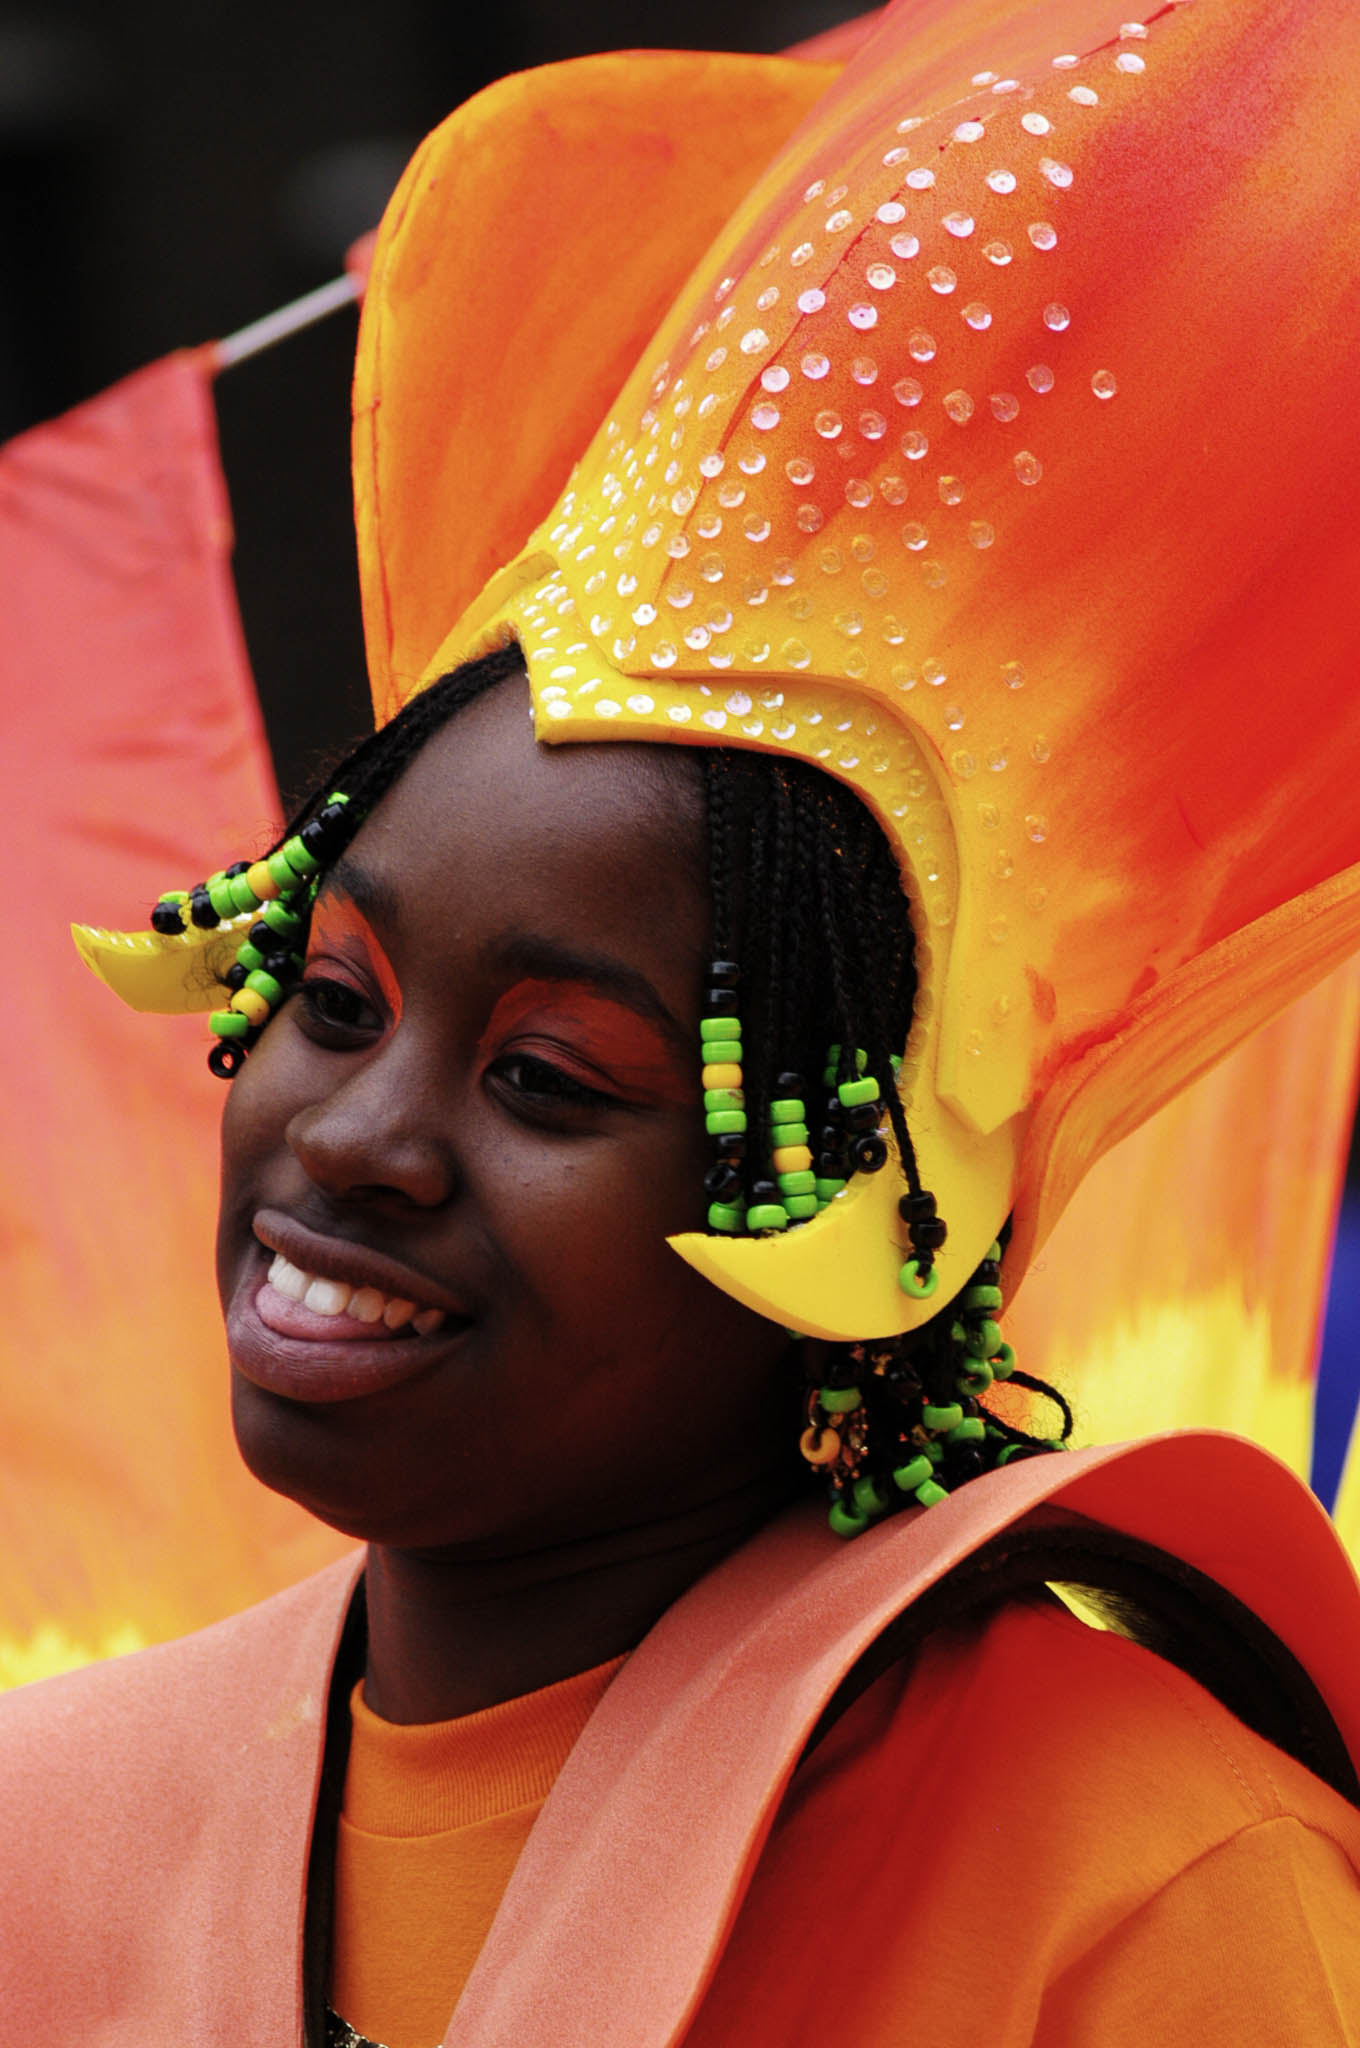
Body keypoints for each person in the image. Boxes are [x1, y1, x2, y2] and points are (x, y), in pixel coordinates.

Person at [6, 0, 1360, 2042]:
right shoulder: (45, 1824)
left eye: (548, 1076)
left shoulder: (1137, 1875)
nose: (356, 1135)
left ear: (842, 1218)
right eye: (331, 993)